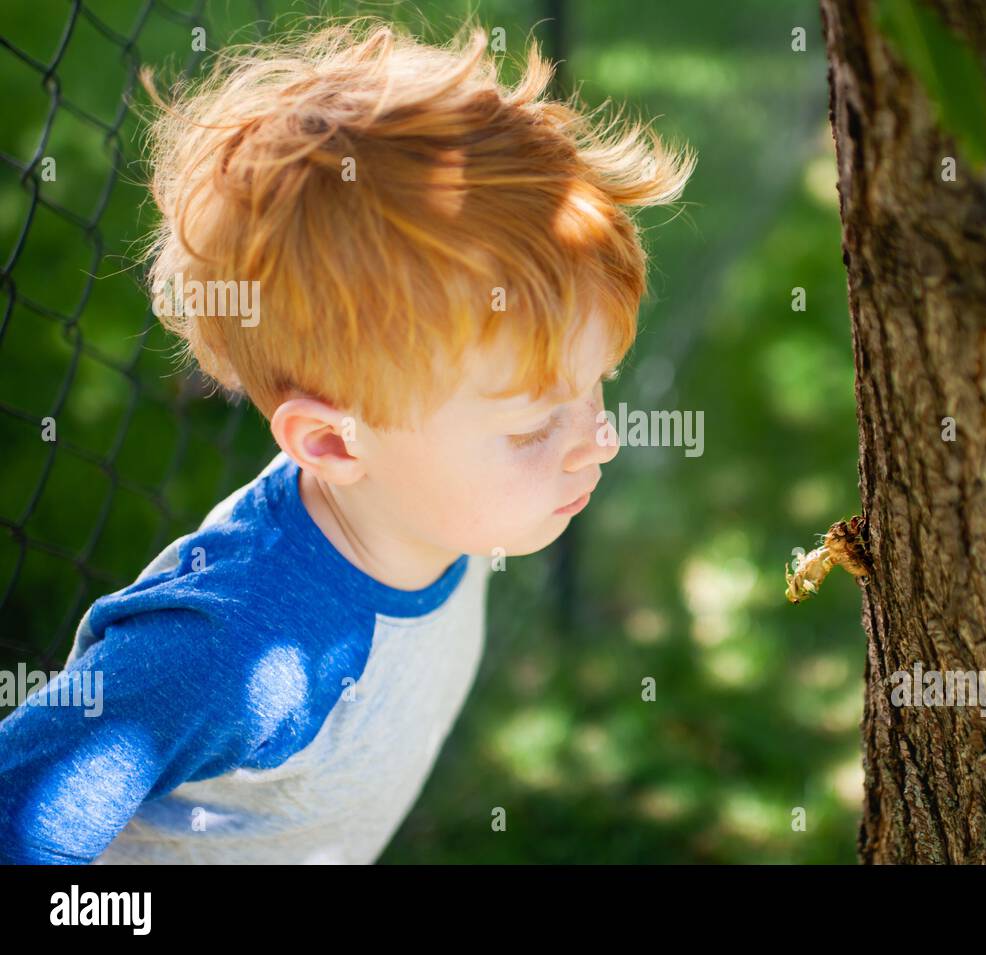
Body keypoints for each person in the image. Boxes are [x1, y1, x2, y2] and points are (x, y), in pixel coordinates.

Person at [0, 14, 694, 864]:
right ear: (330, 444)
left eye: (597, 388)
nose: (601, 439)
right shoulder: (230, 649)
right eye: (530, 424)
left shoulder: (432, 504)